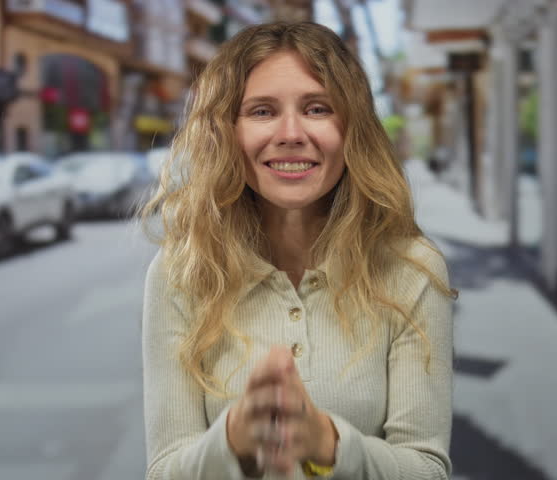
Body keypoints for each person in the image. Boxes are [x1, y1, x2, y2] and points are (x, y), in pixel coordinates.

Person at [141, 21, 457, 480]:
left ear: (351, 130)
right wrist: (232, 439)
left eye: (316, 108)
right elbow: (164, 470)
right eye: (262, 111)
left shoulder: (412, 268)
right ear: (229, 132)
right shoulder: (181, 271)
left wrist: (327, 444)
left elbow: (427, 468)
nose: (290, 133)